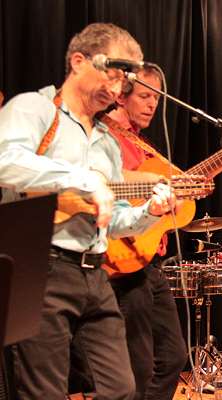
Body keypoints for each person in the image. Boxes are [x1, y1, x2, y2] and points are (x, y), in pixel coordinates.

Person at [0, 23, 177, 399]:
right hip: (42, 267)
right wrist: (82, 180)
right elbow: (5, 161)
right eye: (113, 72)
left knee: (122, 388)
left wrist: (151, 211)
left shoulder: (107, 142)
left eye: (124, 79)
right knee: (43, 392)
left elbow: (114, 222)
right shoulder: (34, 108)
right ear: (78, 61)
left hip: (95, 275)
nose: (117, 87)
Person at [95, 66, 222, 400]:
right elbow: (105, 189)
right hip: (120, 258)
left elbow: (171, 189)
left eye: (156, 98)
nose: (153, 105)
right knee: (137, 364)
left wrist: (214, 168)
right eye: (145, 96)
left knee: (173, 356)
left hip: (150, 260)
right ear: (121, 96)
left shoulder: (143, 144)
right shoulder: (103, 135)